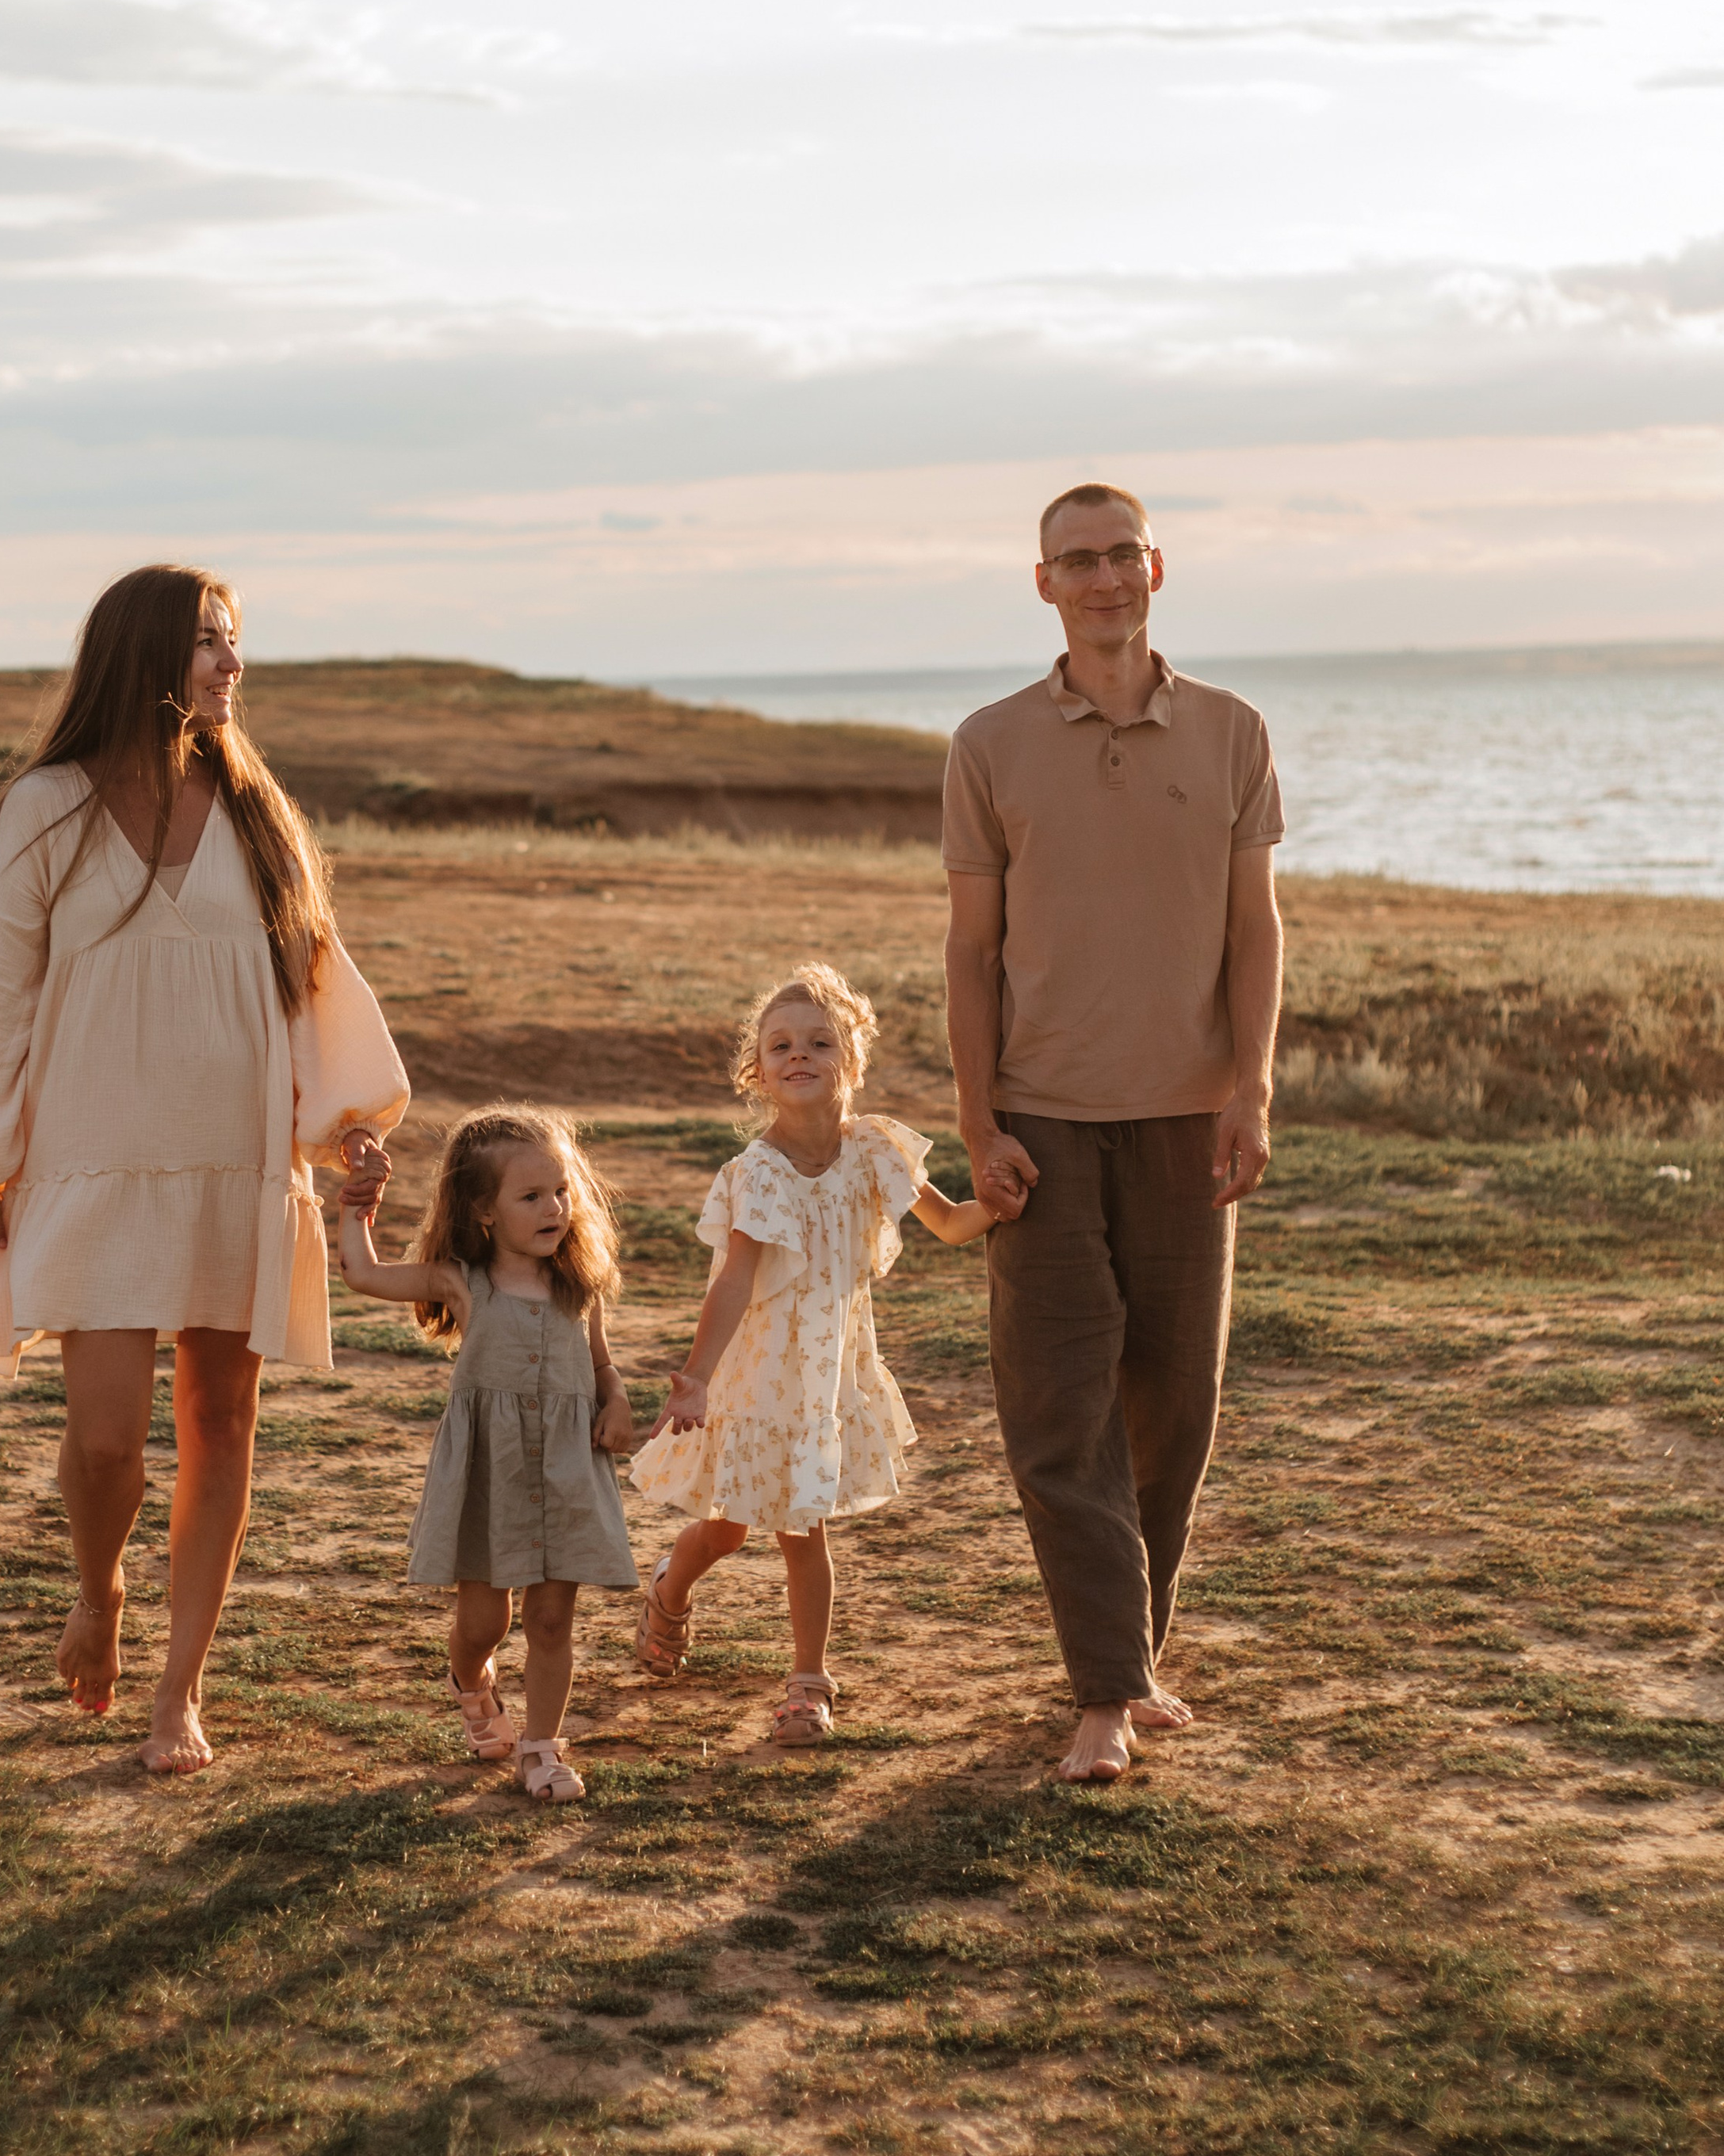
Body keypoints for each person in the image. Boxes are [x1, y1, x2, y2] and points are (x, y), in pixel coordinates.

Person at [0, 564, 407, 1777]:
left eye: (235, 643)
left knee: (221, 1422)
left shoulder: (258, 813)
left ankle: (177, 1693)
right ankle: (99, 1591)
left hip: (235, 1164)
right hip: (93, 1162)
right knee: (105, 1447)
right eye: (207, 643)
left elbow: (311, 979)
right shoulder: (49, 806)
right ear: (143, 655)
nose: (231, 665)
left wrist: (349, 1125)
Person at [942, 484, 1284, 1784]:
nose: (1101, 578)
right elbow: (973, 953)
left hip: (1194, 1116)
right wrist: (977, 1119)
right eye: (1073, 561)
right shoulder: (989, 743)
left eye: (1119, 555)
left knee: (1174, 1403)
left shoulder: (1236, 732)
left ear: (1157, 567)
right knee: (1055, 1408)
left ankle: (1131, 1654)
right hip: (1042, 1119)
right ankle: (1105, 1688)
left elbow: (1256, 931)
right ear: (1043, 584)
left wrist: (1249, 1087)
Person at [629, 964, 993, 1742]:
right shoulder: (755, 1175)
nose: (800, 1055)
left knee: (803, 1525)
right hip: (758, 1374)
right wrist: (693, 1378)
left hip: (830, 1372)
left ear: (850, 1062)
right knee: (727, 1526)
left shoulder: (877, 1152)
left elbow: (955, 1223)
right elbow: (732, 1283)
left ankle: (807, 1683)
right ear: (756, 1072)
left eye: (820, 1042)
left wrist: (1009, 1197)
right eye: (781, 1045)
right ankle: (669, 1587)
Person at [338, 1104, 638, 1803]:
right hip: (491, 1476)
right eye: (531, 1196)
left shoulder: (579, 1286)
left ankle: (540, 1749)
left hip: (564, 1472)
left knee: (552, 1619)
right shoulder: (461, 1283)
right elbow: (361, 1273)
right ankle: (470, 1681)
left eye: (562, 1191)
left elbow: (600, 1367)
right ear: (483, 1212)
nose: (555, 1208)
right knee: (485, 1623)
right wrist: (357, 1206)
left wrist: (617, 1402)